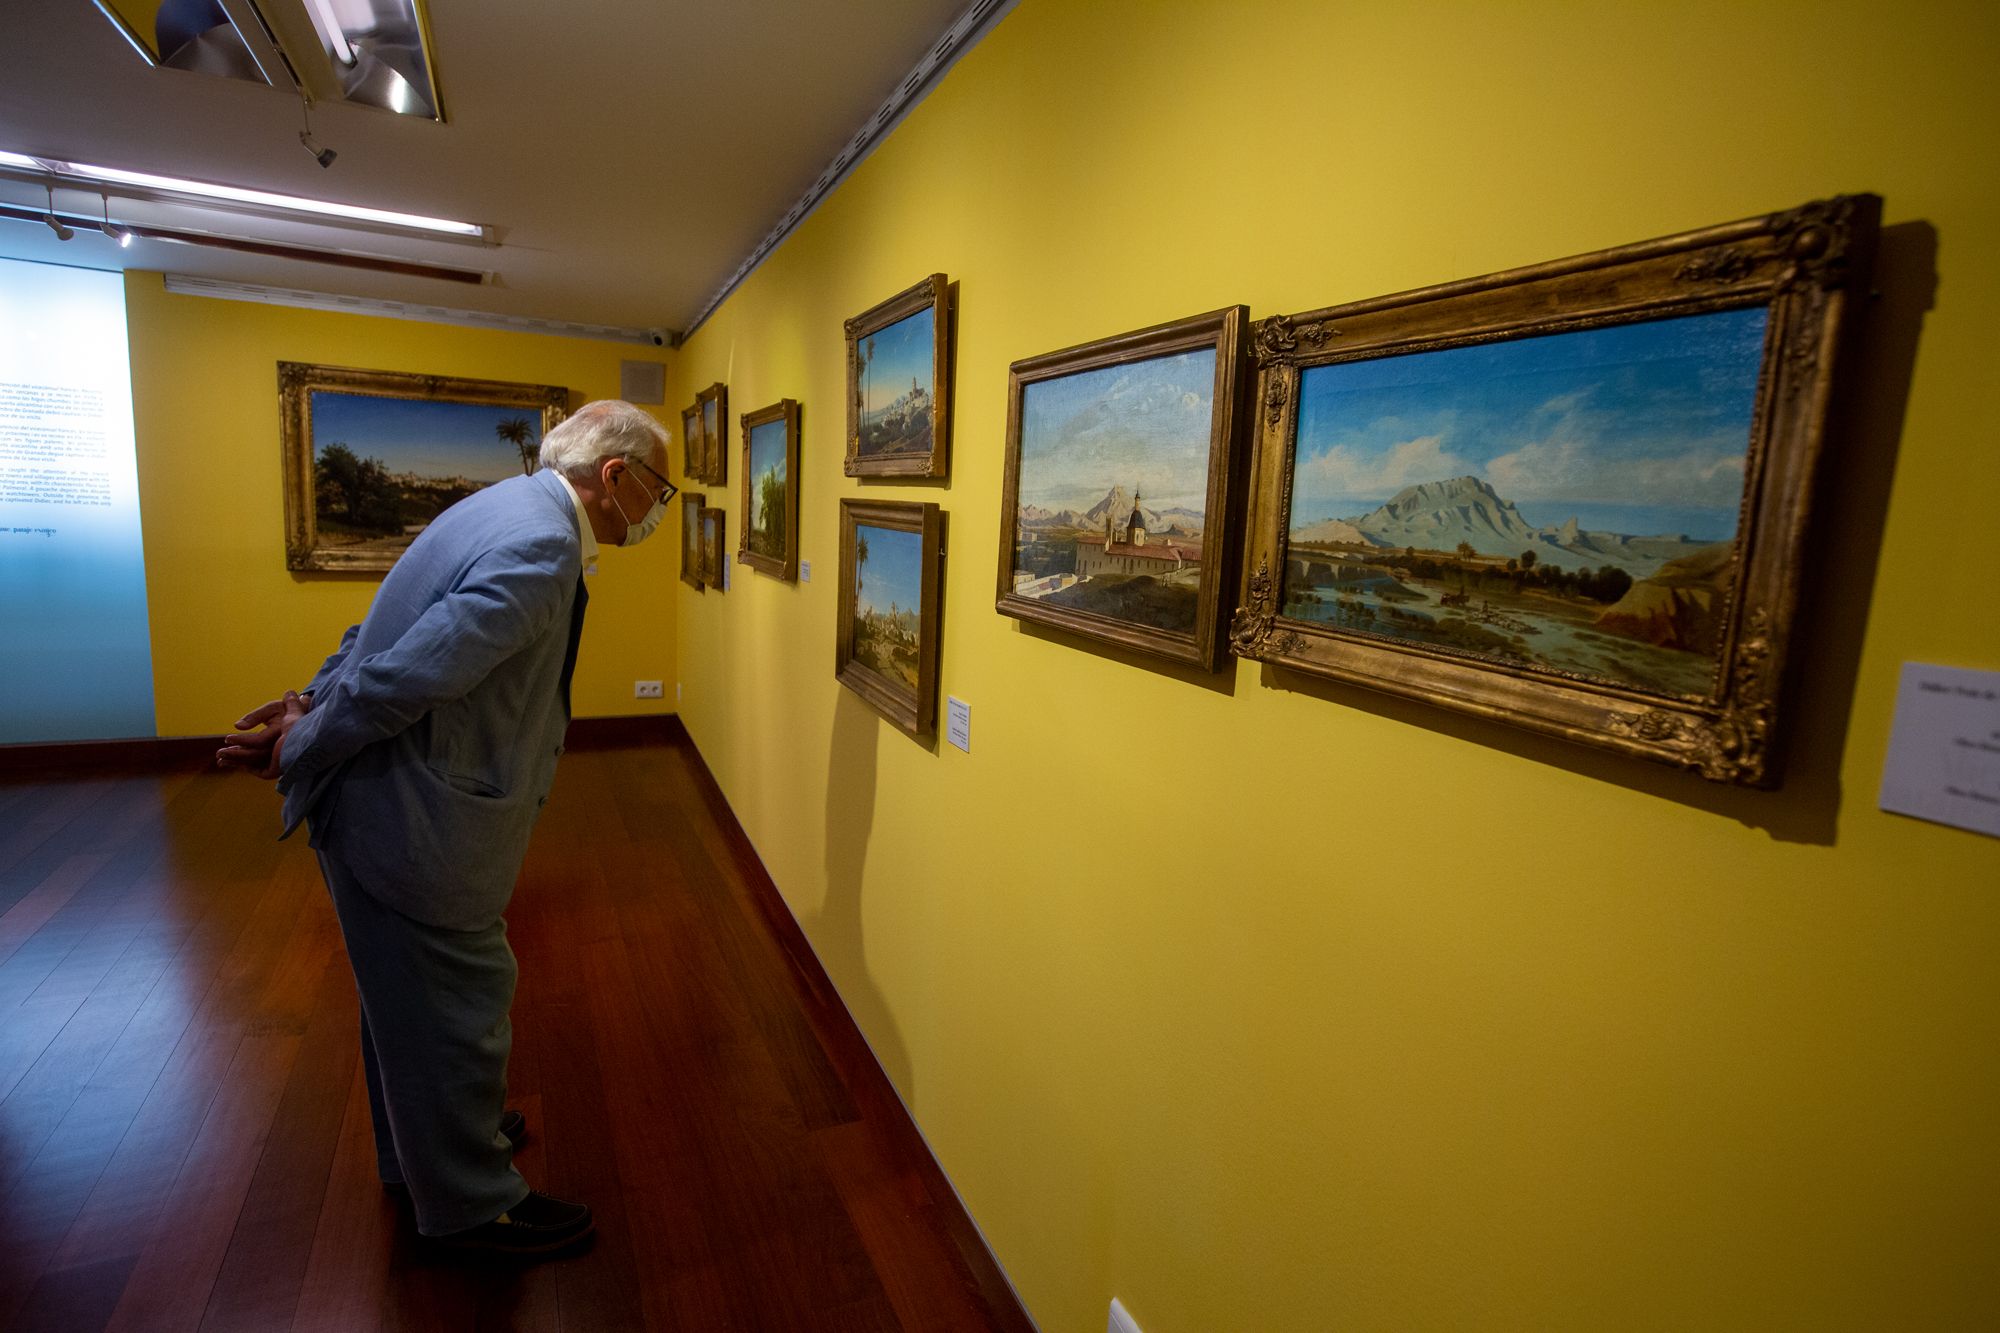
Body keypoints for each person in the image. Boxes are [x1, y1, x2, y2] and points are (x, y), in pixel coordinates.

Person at [218, 399, 675, 1256]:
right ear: (615, 479)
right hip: (412, 820)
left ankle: (424, 1151)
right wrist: (302, 741)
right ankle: (471, 1203)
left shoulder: (499, 505)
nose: (657, 509)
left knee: (405, 1003)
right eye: (659, 489)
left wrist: (308, 705)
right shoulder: (542, 546)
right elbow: (407, 675)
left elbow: (378, 633)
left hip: (386, 806)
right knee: (462, 1002)